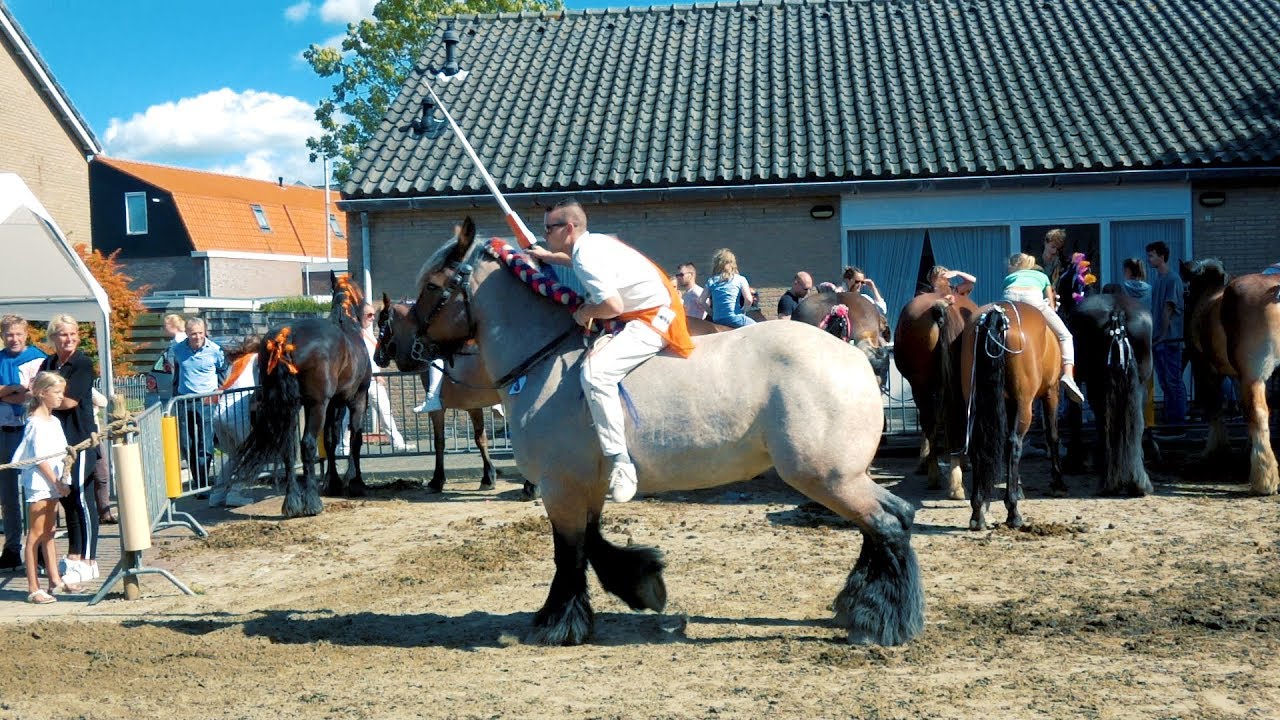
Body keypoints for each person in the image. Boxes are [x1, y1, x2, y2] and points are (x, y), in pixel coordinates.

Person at [538, 199, 694, 502]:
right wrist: (550, 257)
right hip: (646, 310)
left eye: (548, 229)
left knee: (595, 375)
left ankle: (622, 464)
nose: (544, 234)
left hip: (652, 319)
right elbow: (581, 263)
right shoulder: (594, 243)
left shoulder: (586, 257)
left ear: (568, 228)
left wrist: (584, 314)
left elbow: (612, 306)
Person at [40, 315, 102, 584]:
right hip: (56, 440)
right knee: (67, 500)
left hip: (79, 439)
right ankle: (74, 555)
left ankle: (89, 558)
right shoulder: (49, 363)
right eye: (64, 335)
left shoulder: (82, 363)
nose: (69, 339)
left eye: (73, 334)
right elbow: (40, 392)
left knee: (81, 499)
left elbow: (69, 401)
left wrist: (42, 400)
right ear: (54, 337)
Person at [13, 372, 78, 603]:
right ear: (42, 393)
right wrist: (57, 483)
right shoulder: (35, 423)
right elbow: (40, 459)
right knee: (35, 534)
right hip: (41, 484)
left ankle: (54, 579)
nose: (62, 397)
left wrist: (63, 480)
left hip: (54, 484)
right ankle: (33, 587)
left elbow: (59, 453)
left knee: (50, 532)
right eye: (57, 392)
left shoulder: (54, 421)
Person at [1002, 254, 1086, 403]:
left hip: (1010, 296)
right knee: (1065, 335)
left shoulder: (1010, 277)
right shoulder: (1041, 276)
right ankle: (1068, 375)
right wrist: (1050, 308)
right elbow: (1052, 307)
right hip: (1032, 298)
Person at [0, 315, 46, 571]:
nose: (14, 339)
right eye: (9, 334)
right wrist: (13, 389)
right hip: (4, 431)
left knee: (35, 490)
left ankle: (39, 546)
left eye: (18, 334)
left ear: (26, 334)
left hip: (29, 431)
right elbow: (19, 391)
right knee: (8, 495)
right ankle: (12, 547)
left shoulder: (37, 358)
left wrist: (10, 392)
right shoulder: (0, 359)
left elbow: (33, 393)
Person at [172, 317, 228, 496]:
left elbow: (222, 371)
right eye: (193, 333)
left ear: (205, 332)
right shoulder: (178, 349)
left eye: (200, 333)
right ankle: (199, 480)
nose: (197, 337)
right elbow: (177, 371)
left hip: (207, 400)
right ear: (187, 333)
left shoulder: (215, 350)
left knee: (206, 442)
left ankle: (203, 484)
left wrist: (220, 390)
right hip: (185, 400)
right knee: (186, 443)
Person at [210, 335, 261, 508]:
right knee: (250, 454)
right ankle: (236, 492)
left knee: (234, 456)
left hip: (219, 414)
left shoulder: (236, 362)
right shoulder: (256, 359)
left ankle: (217, 494)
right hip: (236, 414)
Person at [1146, 241, 1187, 435]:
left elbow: (1168, 309)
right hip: (1158, 340)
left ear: (1162, 256)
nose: (1149, 259)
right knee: (1165, 381)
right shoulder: (1158, 280)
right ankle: (1171, 421)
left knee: (1173, 381)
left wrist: (1162, 335)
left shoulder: (1172, 279)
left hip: (1170, 340)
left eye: (1152, 255)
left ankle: (1178, 424)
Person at [360, 304, 411, 452]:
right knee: (349, 415)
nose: (372, 318)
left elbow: (373, 358)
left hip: (374, 381)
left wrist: (379, 373)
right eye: (369, 315)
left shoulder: (369, 334)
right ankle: (342, 447)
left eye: (373, 315)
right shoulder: (356, 335)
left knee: (386, 411)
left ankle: (398, 443)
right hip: (361, 382)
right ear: (361, 316)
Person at [701, 248, 756, 328]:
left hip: (717, 319)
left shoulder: (712, 280)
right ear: (733, 263)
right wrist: (743, 311)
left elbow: (701, 301)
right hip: (735, 318)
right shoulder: (740, 279)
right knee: (757, 328)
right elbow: (749, 300)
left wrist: (713, 313)